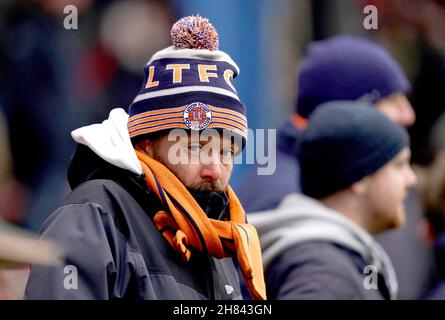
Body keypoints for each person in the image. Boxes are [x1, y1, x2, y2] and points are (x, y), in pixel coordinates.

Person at [24, 15, 266, 300]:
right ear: (147, 144)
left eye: (226, 152)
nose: (214, 169)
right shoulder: (93, 214)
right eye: (193, 147)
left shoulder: (218, 238)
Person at [249, 101, 417, 299]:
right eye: (399, 165)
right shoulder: (321, 272)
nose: (411, 179)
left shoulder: (333, 260)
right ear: (359, 177)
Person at [236, 35, 415, 212]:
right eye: (392, 100)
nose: (408, 115)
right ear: (347, 113)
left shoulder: (305, 182)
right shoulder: (286, 201)